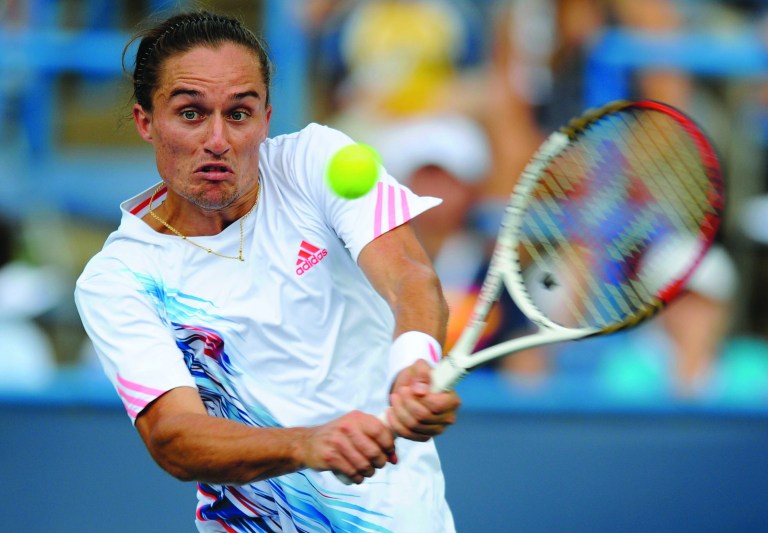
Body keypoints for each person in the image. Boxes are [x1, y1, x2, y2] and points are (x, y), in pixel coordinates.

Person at [74, 10, 460, 533]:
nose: (217, 139)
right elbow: (174, 436)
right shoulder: (119, 277)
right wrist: (307, 444)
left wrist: (414, 362)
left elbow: (409, 274)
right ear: (146, 121)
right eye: (191, 113)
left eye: (239, 114)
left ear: (266, 119)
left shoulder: (320, 161)